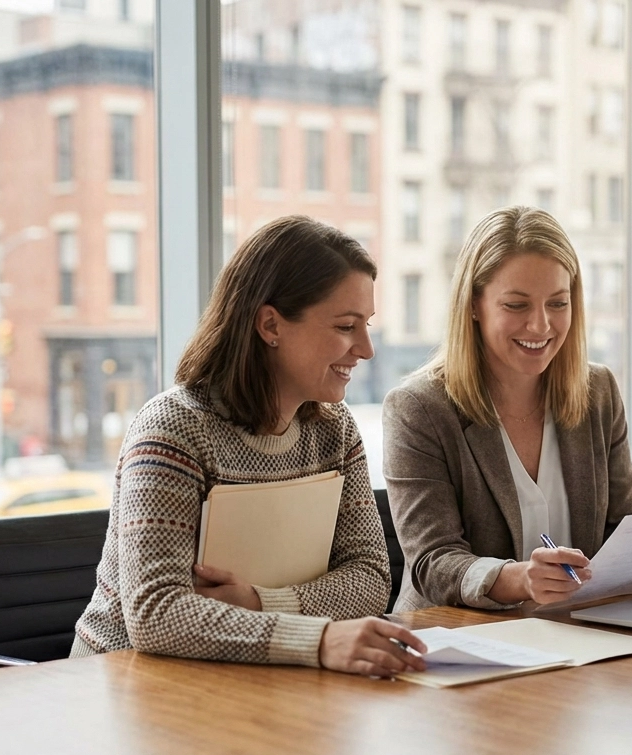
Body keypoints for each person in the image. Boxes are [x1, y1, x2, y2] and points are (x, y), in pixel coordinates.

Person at [72, 215, 428, 678]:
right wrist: (318, 638)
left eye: (366, 326)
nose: (366, 348)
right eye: (345, 326)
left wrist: (261, 602)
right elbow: (156, 614)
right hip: (124, 688)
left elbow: (370, 579)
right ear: (270, 325)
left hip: (257, 679)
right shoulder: (173, 428)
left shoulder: (335, 430)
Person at [382, 206, 632, 611]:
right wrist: (518, 579)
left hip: (576, 634)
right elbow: (432, 562)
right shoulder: (418, 408)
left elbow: (622, 526)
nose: (540, 326)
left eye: (557, 303)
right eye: (516, 306)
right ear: (474, 306)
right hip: (458, 642)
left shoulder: (597, 391)